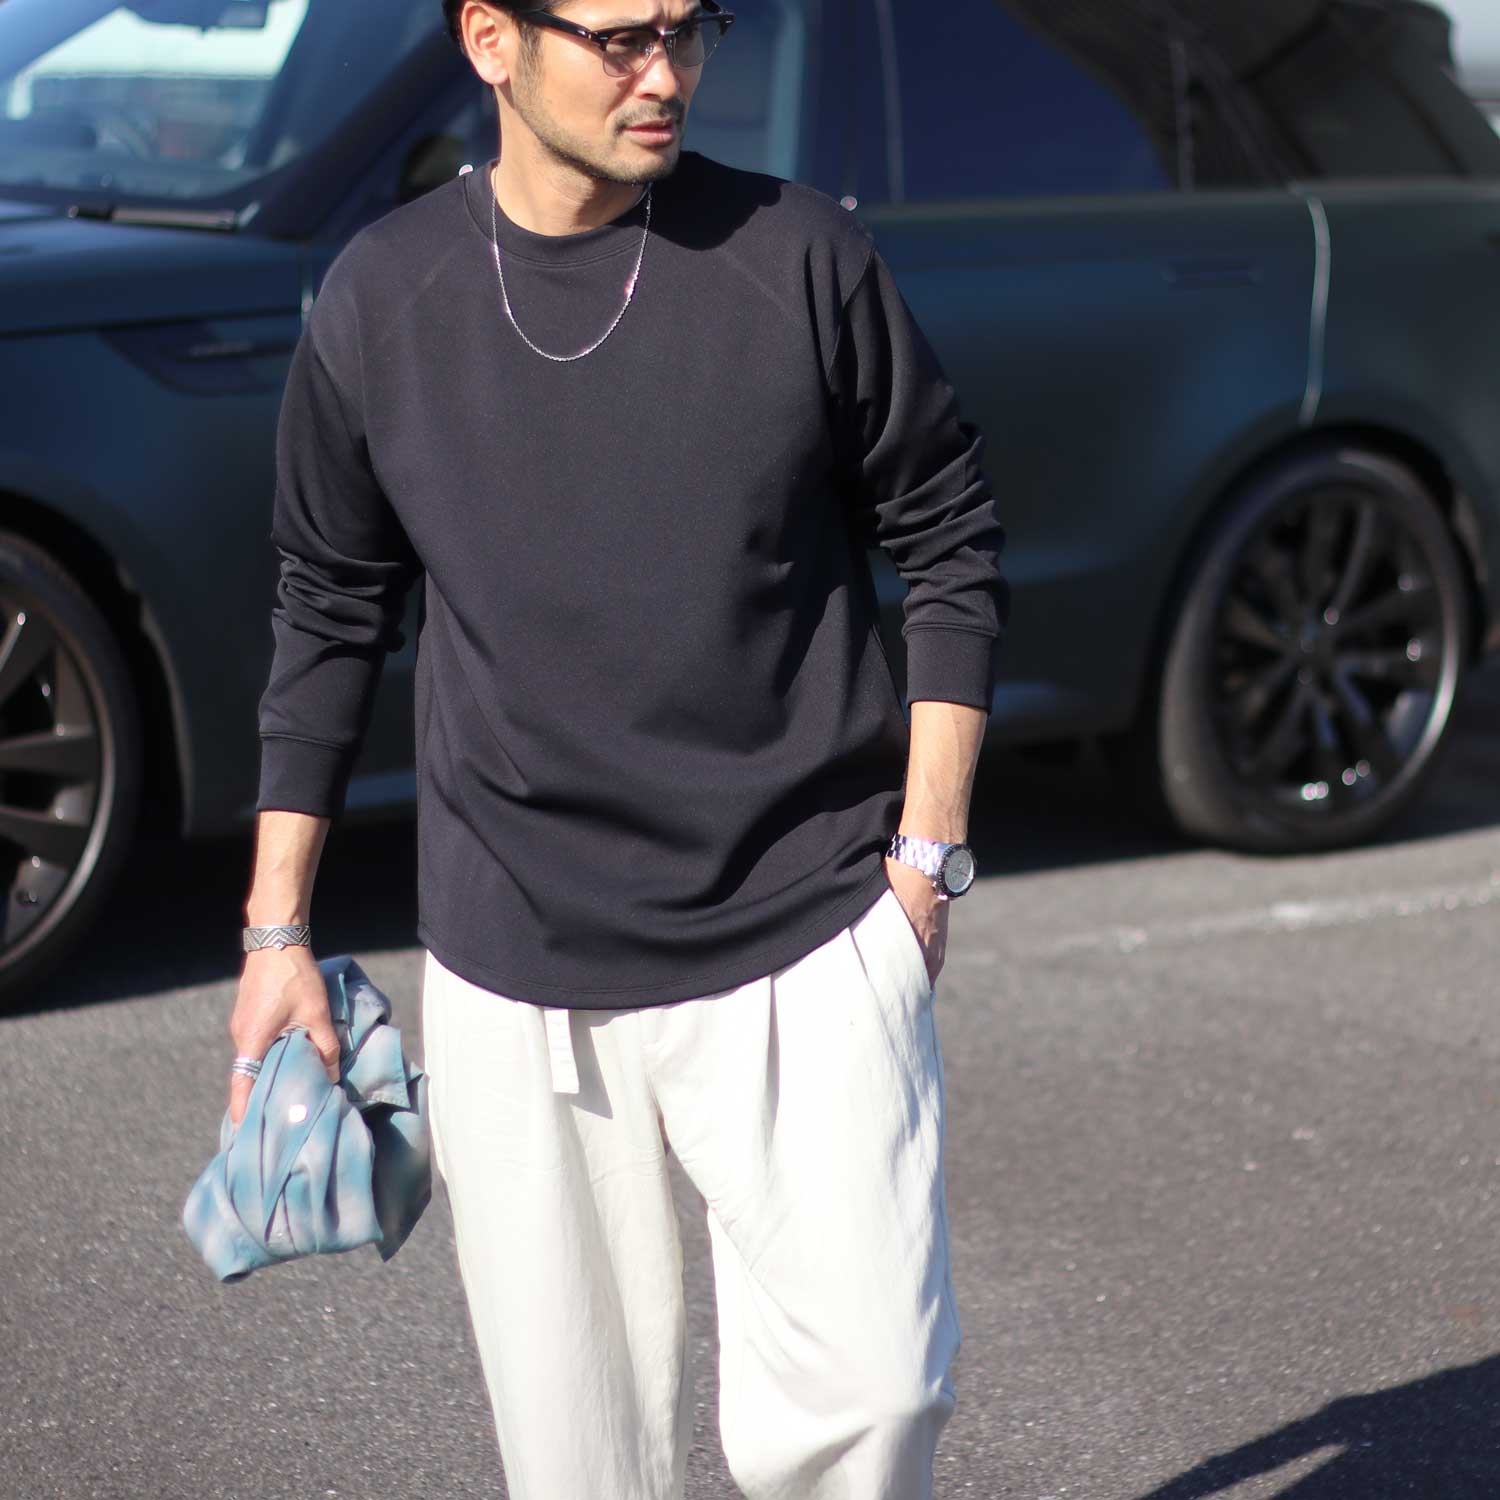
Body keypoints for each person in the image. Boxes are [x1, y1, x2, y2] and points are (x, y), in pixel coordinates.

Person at [227, 1, 1008, 1495]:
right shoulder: (384, 296)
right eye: (621, 37)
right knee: (581, 1463)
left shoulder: (798, 254)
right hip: (516, 956)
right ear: (490, 39)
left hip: (806, 922)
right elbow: (326, 611)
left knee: (879, 1397)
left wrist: (926, 858)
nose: (669, 74)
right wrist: (277, 932)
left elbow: (949, 534)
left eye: (690, 29)